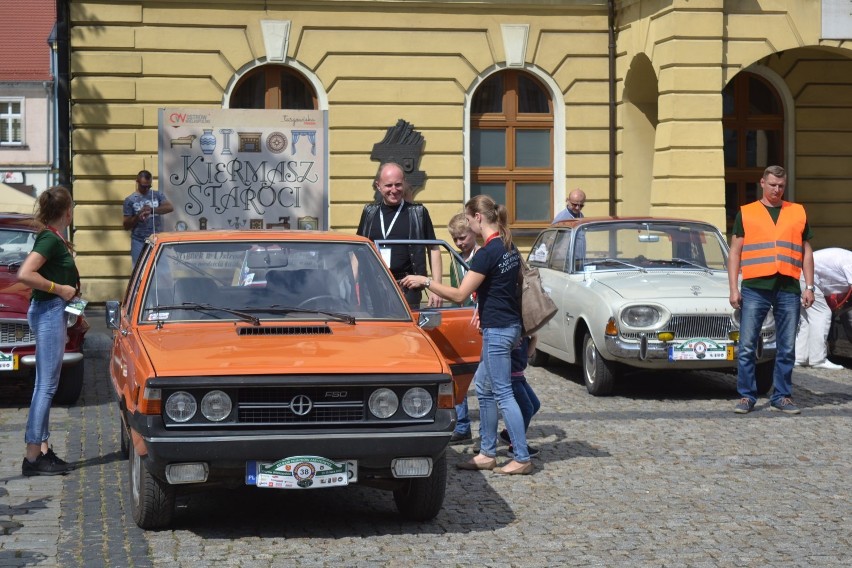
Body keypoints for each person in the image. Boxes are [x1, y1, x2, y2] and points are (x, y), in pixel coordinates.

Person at [401, 195, 532, 475]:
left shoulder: (488, 252)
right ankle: (486, 453)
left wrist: (426, 281)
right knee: (483, 389)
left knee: (503, 393)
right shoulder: (509, 246)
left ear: (478, 218)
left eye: (469, 219)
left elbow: (460, 295)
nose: (468, 224)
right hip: (506, 327)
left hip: (497, 330)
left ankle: (521, 457)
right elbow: (517, 289)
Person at [728, 165, 814, 415]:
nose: (777, 190)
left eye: (781, 186)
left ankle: (782, 396)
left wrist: (809, 285)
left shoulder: (797, 212)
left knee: (787, 346)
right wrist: (734, 288)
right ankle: (746, 396)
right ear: (762, 183)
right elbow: (735, 252)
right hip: (755, 286)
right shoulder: (747, 213)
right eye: (773, 184)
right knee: (747, 345)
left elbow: (806, 251)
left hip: (788, 287)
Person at [17, 186, 80, 476]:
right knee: (46, 386)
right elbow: (25, 273)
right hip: (48, 313)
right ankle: (33, 456)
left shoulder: (54, 238)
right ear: (67, 211)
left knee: (44, 384)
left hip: (53, 312)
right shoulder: (49, 240)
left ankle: (41, 449)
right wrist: (60, 289)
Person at [356, 162, 443, 308]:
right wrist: (355, 285)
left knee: (404, 331)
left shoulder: (418, 213)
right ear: (379, 186)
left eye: (398, 184)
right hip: (371, 288)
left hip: (406, 287)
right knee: (373, 331)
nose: (394, 190)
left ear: (404, 184)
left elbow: (433, 249)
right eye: (388, 185)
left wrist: (437, 288)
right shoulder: (369, 212)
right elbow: (357, 252)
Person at [446, 213, 480, 444]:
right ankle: (462, 425)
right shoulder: (454, 261)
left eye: (463, 237)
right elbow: (455, 293)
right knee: (459, 373)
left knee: (487, 381)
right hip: (464, 321)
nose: (459, 243)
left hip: (481, 319)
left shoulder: (482, 256)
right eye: (456, 239)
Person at [795, 247, 852, 370]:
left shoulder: (848, 258)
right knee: (822, 314)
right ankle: (818, 359)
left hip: (801, 275)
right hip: (808, 277)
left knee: (807, 319)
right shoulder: (850, 262)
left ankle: (801, 357)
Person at [499, 335, 541, 457]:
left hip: (519, 375)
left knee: (535, 404)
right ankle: (515, 446)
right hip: (510, 376)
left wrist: (534, 337)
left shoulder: (525, 333)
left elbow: (528, 354)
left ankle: (508, 433)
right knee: (527, 409)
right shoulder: (511, 330)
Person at [123, 169, 174, 265]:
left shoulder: (157, 195)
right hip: (139, 241)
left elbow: (169, 207)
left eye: (149, 186)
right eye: (143, 186)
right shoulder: (130, 200)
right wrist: (138, 216)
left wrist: (152, 210)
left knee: (163, 271)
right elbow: (126, 225)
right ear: (137, 182)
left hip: (156, 239)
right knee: (140, 270)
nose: (146, 189)